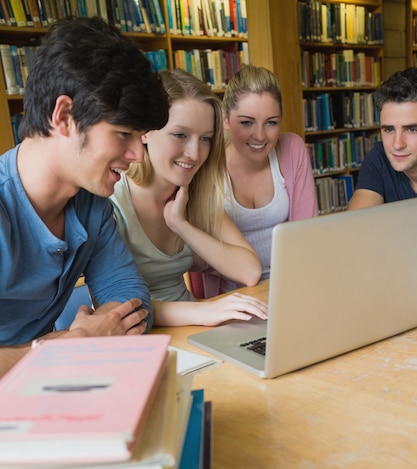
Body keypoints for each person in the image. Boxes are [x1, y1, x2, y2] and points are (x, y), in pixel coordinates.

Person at [0, 16, 170, 376]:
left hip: (51, 387)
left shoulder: (92, 205)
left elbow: (133, 302)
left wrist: (85, 339)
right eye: (123, 133)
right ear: (64, 116)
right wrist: (67, 345)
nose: (139, 155)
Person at [110, 69, 268, 327]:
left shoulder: (193, 195)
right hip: (141, 336)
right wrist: (204, 312)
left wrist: (181, 224)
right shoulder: (112, 202)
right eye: (180, 135)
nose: (195, 153)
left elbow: (249, 271)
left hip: (192, 330)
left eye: (205, 139)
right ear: (145, 132)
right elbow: (118, 308)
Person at [221, 64, 319, 289]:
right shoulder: (207, 166)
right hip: (230, 297)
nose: (260, 136)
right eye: (247, 122)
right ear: (226, 119)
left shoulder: (292, 149)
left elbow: (308, 234)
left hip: (291, 285)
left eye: (271, 122)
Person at [348, 67, 417, 210]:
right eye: (389, 130)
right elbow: (357, 225)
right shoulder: (378, 159)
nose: (397, 144)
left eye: (412, 129)